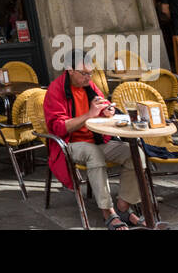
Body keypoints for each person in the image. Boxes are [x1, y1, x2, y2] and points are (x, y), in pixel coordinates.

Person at [43, 52, 143, 230]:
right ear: (69, 70)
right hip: (70, 144)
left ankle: (124, 206)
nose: (89, 77)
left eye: (91, 73)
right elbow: (59, 128)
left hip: (98, 139)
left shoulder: (89, 85)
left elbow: (103, 105)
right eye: (84, 73)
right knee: (93, 153)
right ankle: (108, 212)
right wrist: (89, 114)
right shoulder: (55, 90)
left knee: (135, 153)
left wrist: (108, 111)